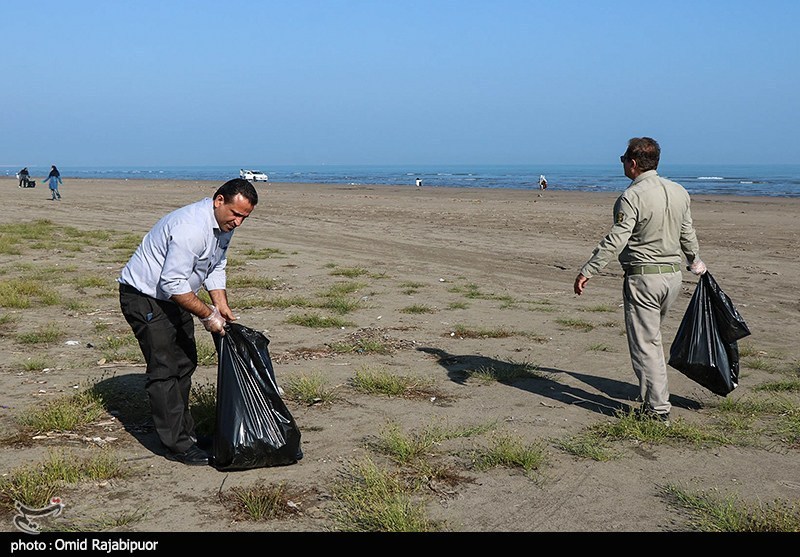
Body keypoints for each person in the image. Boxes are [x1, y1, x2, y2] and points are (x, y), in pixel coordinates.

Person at [118, 178, 258, 466]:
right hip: (146, 297)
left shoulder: (222, 227)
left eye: (245, 217)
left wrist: (221, 303)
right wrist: (208, 315)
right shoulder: (191, 228)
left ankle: (186, 434)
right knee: (165, 368)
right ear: (219, 200)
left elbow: (216, 264)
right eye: (235, 214)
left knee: (185, 362)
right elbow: (171, 282)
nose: (239, 223)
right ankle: (176, 444)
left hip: (177, 296)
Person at [573, 137, 707, 426]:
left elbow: (616, 239)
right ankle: (656, 396)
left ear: (633, 163)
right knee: (653, 339)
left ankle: (657, 410)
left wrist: (589, 269)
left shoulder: (632, 197)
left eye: (623, 158)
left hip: (645, 278)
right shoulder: (678, 191)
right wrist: (695, 262)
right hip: (673, 278)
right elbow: (687, 233)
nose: (622, 162)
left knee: (646, 343)